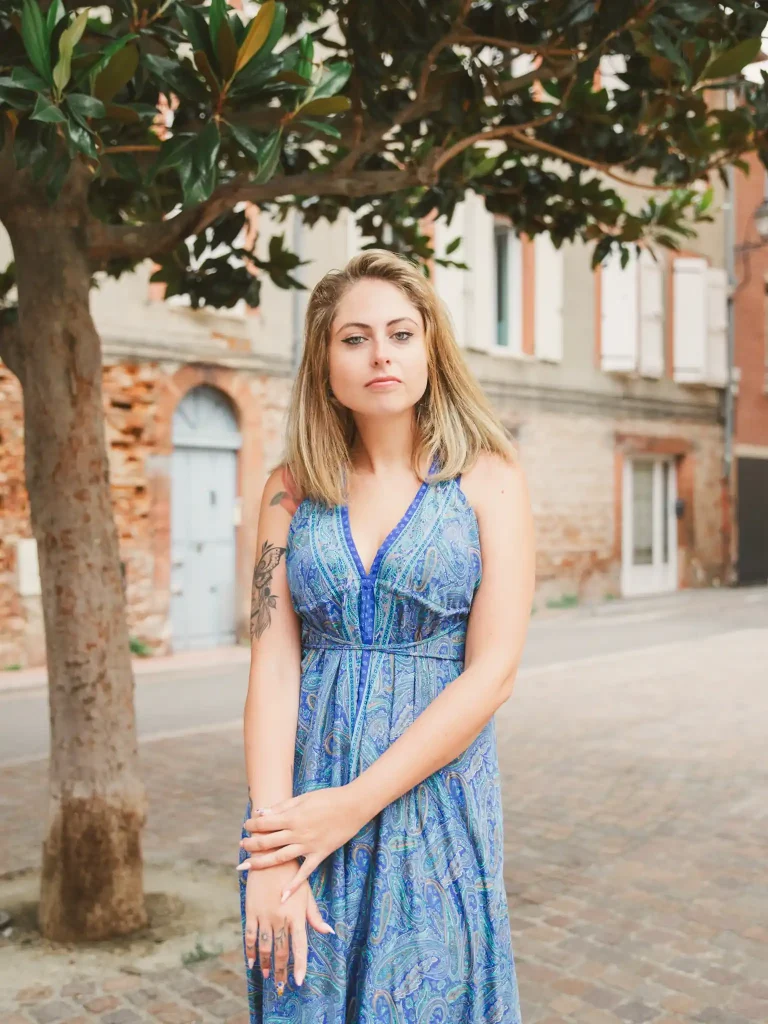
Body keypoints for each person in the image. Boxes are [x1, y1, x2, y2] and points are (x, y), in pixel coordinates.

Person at [236, 248, 536, 1022]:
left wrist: (355, 805)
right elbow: (272, 666)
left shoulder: (488, 477)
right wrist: (270, 851)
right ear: (323, 359)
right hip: (305, 805)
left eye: (401, 334)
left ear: (431, 350)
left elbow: (493, 671)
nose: (380, 354)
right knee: (305, 995)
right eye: (355, 337)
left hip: (435, 803)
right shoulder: (289, 489)